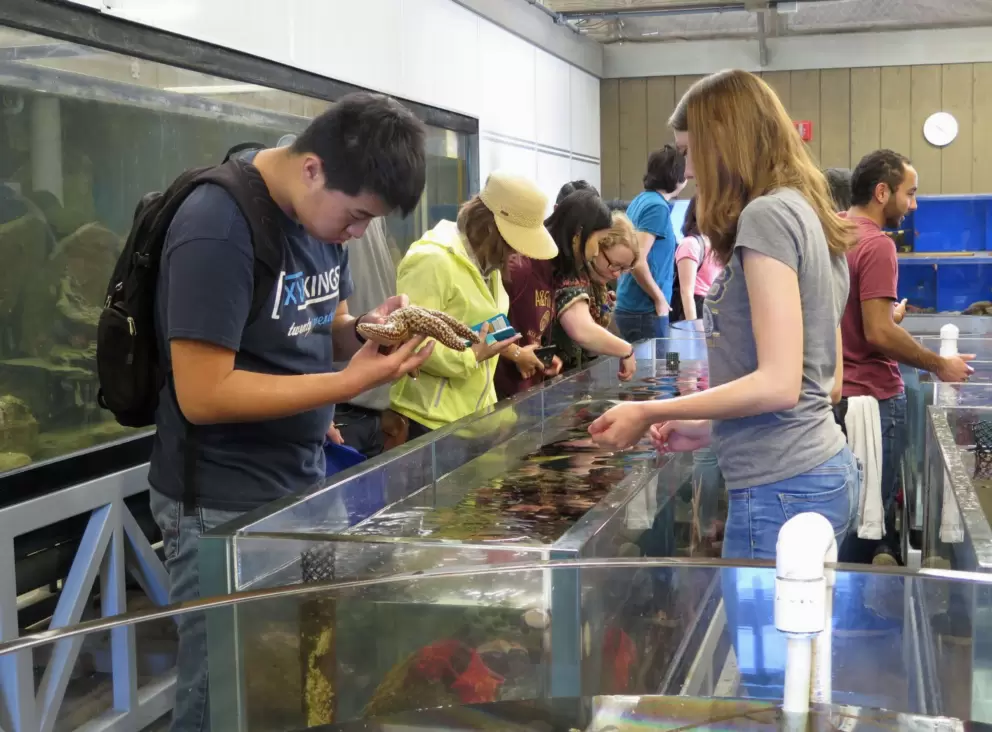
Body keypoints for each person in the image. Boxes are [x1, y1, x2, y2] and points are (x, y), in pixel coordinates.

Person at [148, 93, 435, 732]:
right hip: (222, 501)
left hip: (300, 481)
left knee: (295, 673)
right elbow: (204, 393)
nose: (357, 234)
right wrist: (349, 380)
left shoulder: (317, 221)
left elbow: (321, 319)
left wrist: (363, 330)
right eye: (356, 216)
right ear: (312, 169)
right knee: (222, 688)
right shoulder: (218, 225)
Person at [589, 69, 859, 558]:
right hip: (812, 469)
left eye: (690, 152)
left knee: (769, 635)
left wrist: (650, 408)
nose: (687, 170)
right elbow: (812, 379)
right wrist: (709, 427)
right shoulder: (806, 209)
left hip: (782, 485)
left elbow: (779, 384)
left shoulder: (767, 216)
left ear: (724, 143)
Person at [838, 149, 974, 564]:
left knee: (842, 512)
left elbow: (852, 317)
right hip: (874, 399)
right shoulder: (877, 244)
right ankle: (854, 616)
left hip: (837, 396)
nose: (913, 205)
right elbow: (878, 332)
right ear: (883, 192)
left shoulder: (836, 231)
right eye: (909, 194)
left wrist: (887, 316)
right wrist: (940, 364)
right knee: (867, 517)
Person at [389, 171, 557, 439]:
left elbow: (484, 329)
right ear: (491, 227)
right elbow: (411, 342)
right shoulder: (432, 260)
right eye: (515, 242)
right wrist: (472, 356)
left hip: (473, 419)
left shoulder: (488, 266)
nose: (519, 252)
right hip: (429, 423)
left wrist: (516, 354)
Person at [496, 189, 639, 397]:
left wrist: (538, 355)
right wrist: (516, 354)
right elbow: (489, 322)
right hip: (504, 392)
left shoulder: (551, 272)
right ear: (579, 234)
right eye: (597, 242)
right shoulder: (522, 268)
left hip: (526, 391)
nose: (596, 252)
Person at [613, 145, 687, 341]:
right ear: (677, 177)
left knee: (667, 364)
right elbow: (637, 260)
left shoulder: (642, 200)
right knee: (665, 367)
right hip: (645, 311)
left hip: (637, 309)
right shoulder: (657, 207)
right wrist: (660, 299)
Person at [673, 197, 720, 322]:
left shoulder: (714, 243)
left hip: (712, 306)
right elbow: (686, 292)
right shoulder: (691, 244)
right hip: (697, 307)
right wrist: (693, 327)